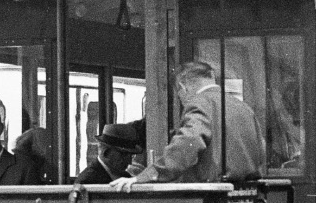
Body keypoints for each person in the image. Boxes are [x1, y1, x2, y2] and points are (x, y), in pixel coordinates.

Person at [111, 60, 264, 189]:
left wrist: (146, 176)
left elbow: (188, 143)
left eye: (179, 95)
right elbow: (261, 149)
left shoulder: (200, 103)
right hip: (246, 196)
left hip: (210, 199)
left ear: (183, 87)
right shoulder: (244, 107)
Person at [74, 123, 142, 184]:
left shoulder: (125, 177)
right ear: (106, 152)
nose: (129, 162)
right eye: (124, 155)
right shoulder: (87, 181)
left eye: (131, 155)